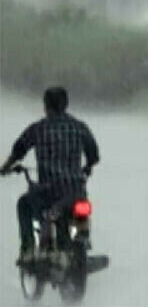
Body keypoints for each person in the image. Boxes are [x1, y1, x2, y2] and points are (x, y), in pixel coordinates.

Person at [0, 87, 100, 265]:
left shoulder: (38, 129)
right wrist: (88, 166)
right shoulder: (79, 127)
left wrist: (5, 168)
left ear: (46, 106)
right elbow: (93, 154)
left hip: (49, 194)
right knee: (81, 210)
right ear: (66, 105)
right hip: (77, 192)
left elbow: (18, 150)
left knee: (24, 204)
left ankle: (28, 250)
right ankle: (80, 237)